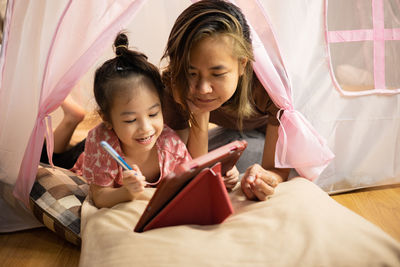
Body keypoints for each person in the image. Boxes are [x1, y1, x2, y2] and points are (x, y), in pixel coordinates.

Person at [160, 0, 290, 201]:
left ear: (241, 64)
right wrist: (199, 115)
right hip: (231, 136)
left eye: (217, 73)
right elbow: (186, 166)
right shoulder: (176, 86)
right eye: (191, 72)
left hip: (271, 132)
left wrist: (264, 176)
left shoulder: (269, 87)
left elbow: (277, 170)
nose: (203, 88)